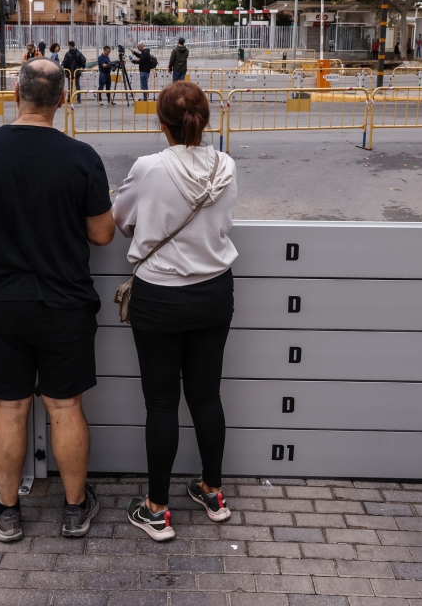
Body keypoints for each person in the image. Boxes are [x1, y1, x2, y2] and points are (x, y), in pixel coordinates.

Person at [0, 57, 115, 543]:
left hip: (0, 304)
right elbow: (102, 234)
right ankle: (75, 509)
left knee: (10, 409)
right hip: (65, 304)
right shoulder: (82, 158)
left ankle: (10, 510)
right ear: (63, 99)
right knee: (65, 407)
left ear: (16, 92)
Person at [112, 80, 238, 542]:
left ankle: (158, 509)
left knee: (162, 402)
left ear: (162, 123)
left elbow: (120, 221)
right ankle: (212, 491)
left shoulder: (149, 168)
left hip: (160, 298)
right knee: (206, 395)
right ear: (205, 119)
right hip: (214, 294)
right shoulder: (227, 165)